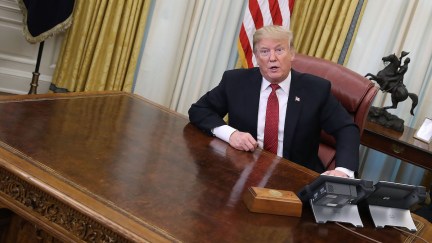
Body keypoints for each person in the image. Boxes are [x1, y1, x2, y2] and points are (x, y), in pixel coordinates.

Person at [188, 25, 359, 178]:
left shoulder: (315, 89)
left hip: (294, 176)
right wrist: (231, 134)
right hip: (242, 170)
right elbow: (199, 110)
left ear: (291, 53)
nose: (272, 58)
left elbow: (346, 129)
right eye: (264, 51)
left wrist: (343, 171)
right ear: (256, 56)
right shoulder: (235, 81)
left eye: (279, 50)